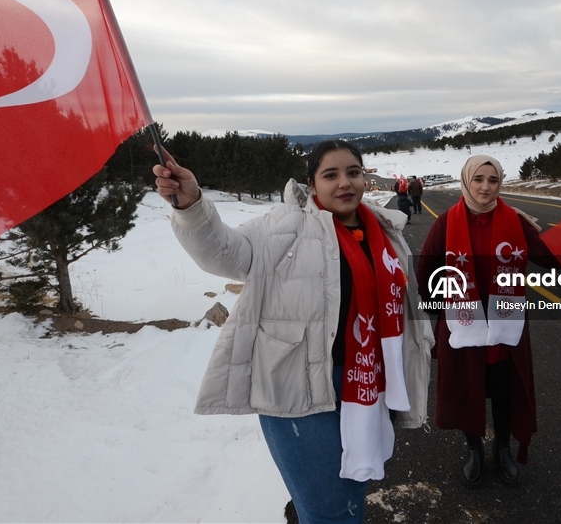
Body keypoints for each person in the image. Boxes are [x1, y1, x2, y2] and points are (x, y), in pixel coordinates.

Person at [155, 140, 433, 523]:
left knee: (353, 490)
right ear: (311, 184)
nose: (344, 183)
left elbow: (403, 305)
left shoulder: (385, 232)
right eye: (330, 175)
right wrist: (191, 206)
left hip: (368, 382)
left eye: (353, 172)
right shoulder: (282, 226)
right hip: (296, 387)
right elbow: (223, 252)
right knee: (330, 513)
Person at [417, 155, 561, 489]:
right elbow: (426, 270)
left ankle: (503, 449)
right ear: (467, 181)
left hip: (504, 327)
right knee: (469, 389)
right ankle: (474, 450)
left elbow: (548, 257)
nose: (485, 187)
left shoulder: (516, 222)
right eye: (478, 179)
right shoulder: (446, 222)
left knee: (505, 390)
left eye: (493, 180)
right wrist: (443, 311)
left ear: (500, 183)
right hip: (464, 324)